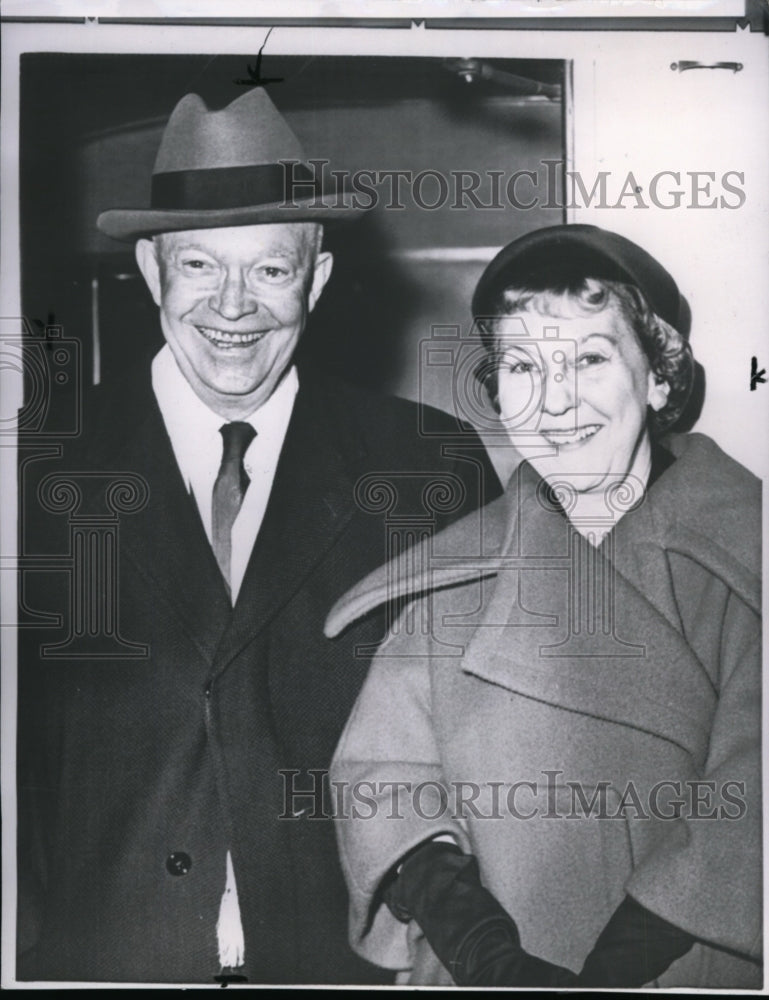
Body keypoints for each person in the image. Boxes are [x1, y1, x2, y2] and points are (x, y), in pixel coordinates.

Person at [16, 87, 500, 985]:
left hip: (345, 968)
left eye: (270, 271)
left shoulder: (426, 463)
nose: (233, 307)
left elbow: (480, 743)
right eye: (200, 266)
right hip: (96, 961)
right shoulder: (34, 468)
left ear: (315, 279)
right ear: (152, 270)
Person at [326, 224, 762, 989]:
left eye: (589, 359)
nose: (555, 402)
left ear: (659, 378)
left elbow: (752, 797)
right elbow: (382, 777)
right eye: (523, 365)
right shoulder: (450, 572)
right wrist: (484, 954)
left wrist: (609, 972)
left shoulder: (743, 558)